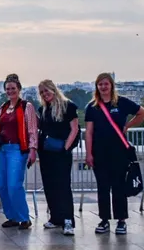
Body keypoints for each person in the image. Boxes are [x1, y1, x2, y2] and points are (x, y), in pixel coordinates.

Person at [85, 72, 144, 236]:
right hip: (99, 152)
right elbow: (89, 132)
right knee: (103, 187)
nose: (103, 87)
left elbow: (143, 113)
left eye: (106, 84)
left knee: (118, 186)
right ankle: (104, 219)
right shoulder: (92, 107)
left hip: (119, 151)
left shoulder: (122, 102)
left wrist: (127, 126)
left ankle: (121, 220)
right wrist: (89, 153)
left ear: (111, 85)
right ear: (96, 87)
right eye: (100, 84)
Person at [0, 73, 38, 230]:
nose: (10, 91)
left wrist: (33, 150)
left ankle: (24, 217)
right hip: (3, 150)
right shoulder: (3, 107)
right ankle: (12, 216)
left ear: (19, 89)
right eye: (7, 89)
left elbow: (32, 130)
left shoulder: (27, 107)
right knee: (2, 186)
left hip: (18, 149)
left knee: (14, 185)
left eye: (13, 88)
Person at [37, 79, 79, 236]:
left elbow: (74, 129)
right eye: (42, 92)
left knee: (63, 187)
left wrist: (66, 147)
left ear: (53, 89)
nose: (45, 94)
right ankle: (56, 218)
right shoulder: (43, 109)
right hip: (46, 152)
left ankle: (68, 220)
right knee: (49, 186)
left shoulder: (68, 106)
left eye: (47, 91)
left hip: (61, 153)